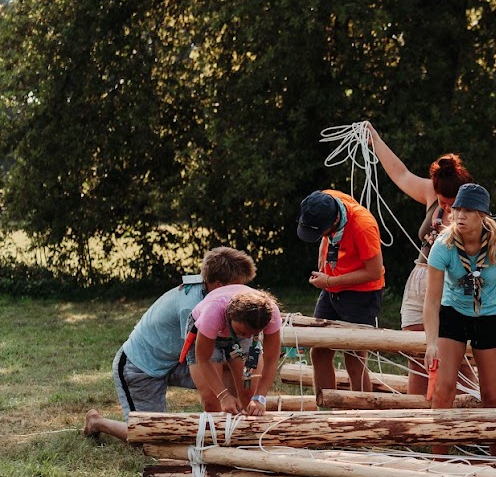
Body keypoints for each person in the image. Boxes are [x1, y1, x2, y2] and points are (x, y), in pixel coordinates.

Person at [83, 247, 257, 442]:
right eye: (237, 286)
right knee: (149, 438)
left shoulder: (213, 293)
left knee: (227, 366)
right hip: (141, 368)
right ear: (218, 285)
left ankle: (231, 423)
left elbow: (230, 356)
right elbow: (203, 360)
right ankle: (96, 422)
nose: (241, 292)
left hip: (176, 360)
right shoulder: (192, 306)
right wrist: (221, 398)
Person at [365, 122, 475, 398]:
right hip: (419, 277)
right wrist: (375, 140)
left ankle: (482, 410)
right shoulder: (431, 194)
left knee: (456, 357)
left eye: (452, 202)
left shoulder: (473, 209)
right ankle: (415, 416)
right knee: (416, 356)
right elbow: (401, 174)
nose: (447, 207)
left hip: (449, 283)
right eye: (444, 201)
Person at [423, 184, 496, 413]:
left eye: (468, 210)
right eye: (457, 209)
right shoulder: (443, 246)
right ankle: (438, 437)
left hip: (489, 315)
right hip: (454, 313)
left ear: (482, 215)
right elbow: (432, 300)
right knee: (443, 390)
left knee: (493, 396)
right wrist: (431, 343)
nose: (460, 215)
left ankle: (493, 437)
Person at [296, 189, 386, 395]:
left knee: (354, 359)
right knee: (319, 351)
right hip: (331, 288)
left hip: (362, 294)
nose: (322, 236)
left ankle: (361, 410)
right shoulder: (326, 199)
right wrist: (323, 249)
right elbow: (326, 235)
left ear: (336, 219)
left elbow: (374, 271)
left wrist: (329, 280)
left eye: (323, 232)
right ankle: (326, 408)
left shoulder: (363, 226)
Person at [189, 285, 284, 416]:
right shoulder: (212, 313)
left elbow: (271, 360)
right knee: (212, 400)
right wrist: (223, 396)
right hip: (208, 330)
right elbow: (203, 359)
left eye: (254, 333)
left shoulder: (271, 314)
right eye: (243, 332)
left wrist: (260, 397)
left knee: (249, 395)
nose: (247, 337)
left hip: (236, 326)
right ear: (231, 316)